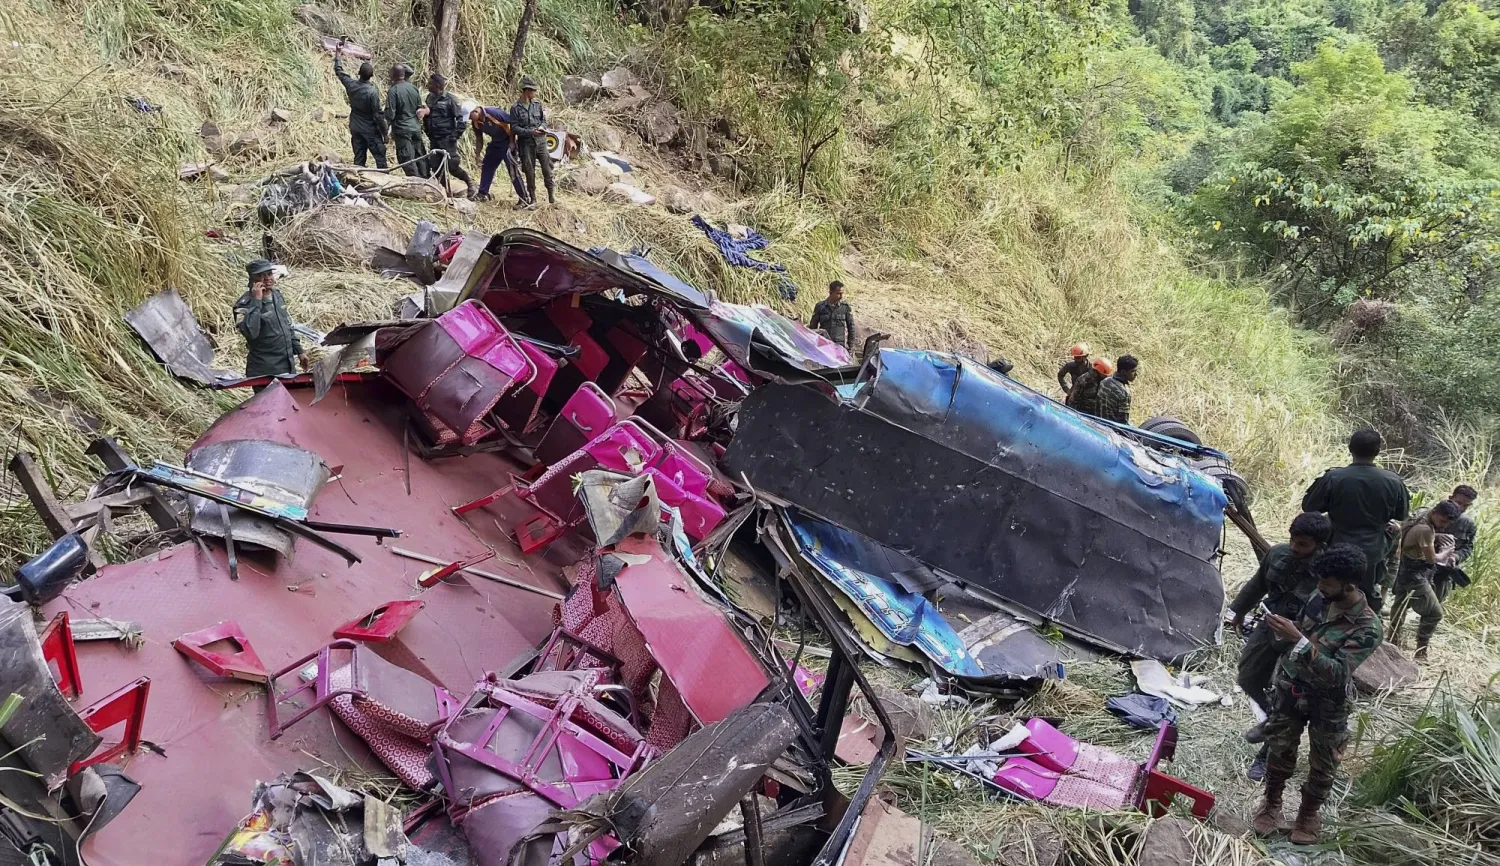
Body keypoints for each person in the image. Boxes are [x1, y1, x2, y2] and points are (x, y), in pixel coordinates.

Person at [1254, 544, 1381, 845]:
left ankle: (1308, 814)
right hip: (1291, 687)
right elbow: (1306, 629)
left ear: (1349, 586)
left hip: (1329, 701)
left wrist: (1297, 641)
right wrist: (1284, 630)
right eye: (1320, 580)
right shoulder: (1320, 596)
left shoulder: (1368, 627)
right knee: (1279, 748)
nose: (1320, 586)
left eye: (1327, 582)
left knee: (1324, 762)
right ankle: (1271, 804)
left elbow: (1338, 672)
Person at [1229, 512, 1332, 782]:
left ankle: (1267, 753)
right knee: (1248, 677)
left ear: (1320, 545)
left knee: (1286, 695)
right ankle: (1272, 718)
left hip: (1304, 635)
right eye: (1294, 541)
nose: (1296, 548)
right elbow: (1258, 583)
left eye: (1304, 545)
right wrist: (1238, 611)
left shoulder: (1328, 571)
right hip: (1271, 623)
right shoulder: (1278, 554)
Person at [1301, 428, 1410, 611]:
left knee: (1326, 590)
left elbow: (1310, 507)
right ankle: (1366, 630)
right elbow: (1402, 514)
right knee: (1366, 593)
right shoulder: (1393, 481)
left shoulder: (1333, 477)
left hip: (1337, 544)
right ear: (1377, 451)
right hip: (1373, 548)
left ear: (1350, 448)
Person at [1390, 499, 1462, 659]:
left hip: (1404, 568)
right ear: (1435, 513)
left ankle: (1392, 641)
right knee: (1435, 613)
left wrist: (1437, 536)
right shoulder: (1425, 530)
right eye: (1442, 521)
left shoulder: (1422, 513)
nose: (1443, 525)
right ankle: (1420, 652)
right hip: (1415, 574)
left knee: (1400, 606)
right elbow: (1432, 559)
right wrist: (1447, 551)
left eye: (1447, 523)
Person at [233, 260, 307, 380]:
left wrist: (299, 351)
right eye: (261, 276)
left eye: (269, 274)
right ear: (252, 279)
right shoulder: (244, 305)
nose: (267, 278)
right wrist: (257, 301)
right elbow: (251, 333)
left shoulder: (276, 295)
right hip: (265, 370)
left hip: (287, 366)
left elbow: (287, 325)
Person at [418, 73, 474, 198]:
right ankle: (446, 191)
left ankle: (470, 184)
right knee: (435, 166)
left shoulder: (450, 100)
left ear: (438, 86)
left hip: (447, 139)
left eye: (430, 84)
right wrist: (427, 130)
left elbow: (461, 119)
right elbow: (428, 116)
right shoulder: (429, 98)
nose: (428, 85)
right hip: (434, 138)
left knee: (452, 165)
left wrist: (454, 136)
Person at [332, 49, 387, 169]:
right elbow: (378, 115)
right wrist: (385, 133)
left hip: (355, 126)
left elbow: (339, 71)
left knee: (359, 159)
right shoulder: (372, 92)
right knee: (380, 158)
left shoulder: (351, 85)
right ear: (371, 76)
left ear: (359, 73)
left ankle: (359, 181)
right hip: (370, 129)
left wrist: (338, 54)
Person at [510, 77, 555, 206]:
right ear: (527, 91)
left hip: (541, 142)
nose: (535, 93)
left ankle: (551, 196)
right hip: (526, 144)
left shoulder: (537, 104)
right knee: (530, 172)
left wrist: (542, 128)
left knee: (547, 169)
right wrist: (530, 132)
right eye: (533, 91)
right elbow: (514, 128)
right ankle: (533, 198)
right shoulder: (515, 108)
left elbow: (543, 120)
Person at [470, 105, 527, 205]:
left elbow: (513, 123)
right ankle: (483, 193)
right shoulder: (476, 122)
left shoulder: (494, 113)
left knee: (512, 170)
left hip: (507, 143)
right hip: (496, 143)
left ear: (475, 111)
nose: (470, 119)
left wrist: (512, 142)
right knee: (487, 165)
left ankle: (524, 198)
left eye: (470, 116)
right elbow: (479, 138)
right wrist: (477, 155)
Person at [385, 64, 426, 177]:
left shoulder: (393, 91)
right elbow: (419, 107)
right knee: (420, 155)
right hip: (416, 128)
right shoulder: (413, 88)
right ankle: (426, 178)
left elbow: (390, 114)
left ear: (394, 75)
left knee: (406, 158)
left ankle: (416, 182)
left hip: (402, 130)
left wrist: (385, 130)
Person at [808, 281, 855, 352]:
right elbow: (813, 327)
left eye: (842, 293)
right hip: (824, 345)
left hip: (839, 346)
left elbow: (851, 327)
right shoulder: (820, 307)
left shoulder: (845, 307)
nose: (841, 296)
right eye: (838, 293)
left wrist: (850, 346)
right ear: (831, 292)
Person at [1096, 355, 1138, 424]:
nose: (1136, 374)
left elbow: (1097, 407)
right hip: (1111, 430)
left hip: (1098, 424)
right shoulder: (1124, 392)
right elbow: (1123, 422)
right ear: (1124, 372)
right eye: (1133, 371)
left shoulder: (1104, 381)